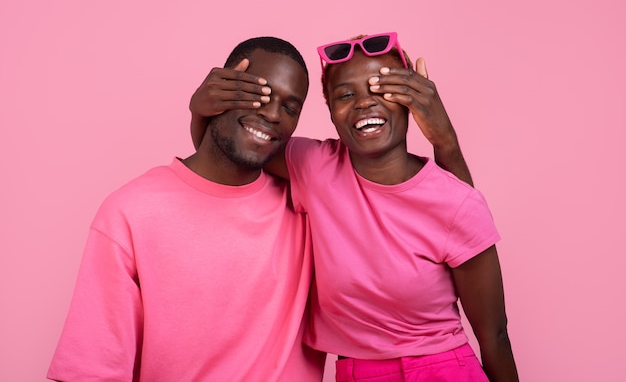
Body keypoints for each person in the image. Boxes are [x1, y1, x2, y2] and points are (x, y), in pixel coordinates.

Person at [190, 32, 518, 381]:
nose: (364, 103)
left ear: (411, 100)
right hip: (355, 372)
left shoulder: (457, 201)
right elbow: (232, 154)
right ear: (330, 111)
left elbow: (494, 336)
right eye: (346, 95)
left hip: (442, 368)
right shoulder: (314, 166)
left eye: (382, 90)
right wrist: (199, 110)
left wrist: (444, 139)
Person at [47, 37, 326, 381]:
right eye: (259, 93)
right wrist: (202, 116)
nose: (271, 113)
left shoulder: (308, 206)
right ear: (220, 87)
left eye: (290, 107)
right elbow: (90, 371)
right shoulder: (131, 212)